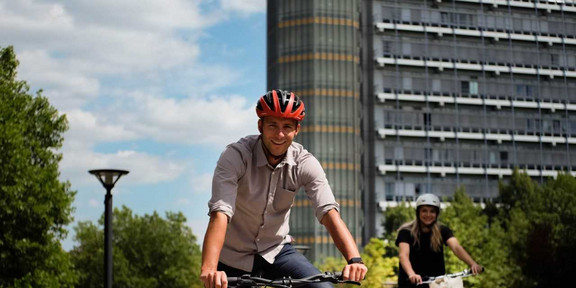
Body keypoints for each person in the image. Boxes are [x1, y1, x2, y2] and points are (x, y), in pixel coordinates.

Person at [200, 89, 368, 288]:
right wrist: (209, 268)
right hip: (233, 256)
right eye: (272, 125)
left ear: (296, 130)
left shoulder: (304, 162)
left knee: (322, 287)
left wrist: (354, 260)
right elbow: (221, 212)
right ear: (260, 125)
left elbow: (328, 211)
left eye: (287, 126)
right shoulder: (236, 155)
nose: (279, 134)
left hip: (277, 251)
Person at [395, 193, 483, 288]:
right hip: (412, 283)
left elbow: (456, 248)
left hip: (437, 284)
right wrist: (412, 274)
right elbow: (403, 256)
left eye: (432, 211)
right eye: (424, 211)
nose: (428, 215)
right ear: (418, 213)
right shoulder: (406, 232)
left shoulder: (443, 231)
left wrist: (472, 264)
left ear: (437, 214)